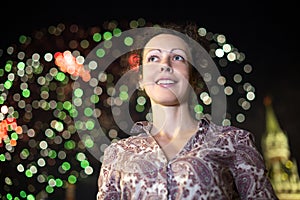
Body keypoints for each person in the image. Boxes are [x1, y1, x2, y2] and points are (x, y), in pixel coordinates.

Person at [96, 21, 278, 200]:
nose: (165, 65)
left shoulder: (234, 142)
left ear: (193, 76)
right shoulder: (118, 154)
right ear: (141, 79)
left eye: (177, 58)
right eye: (153, 58)